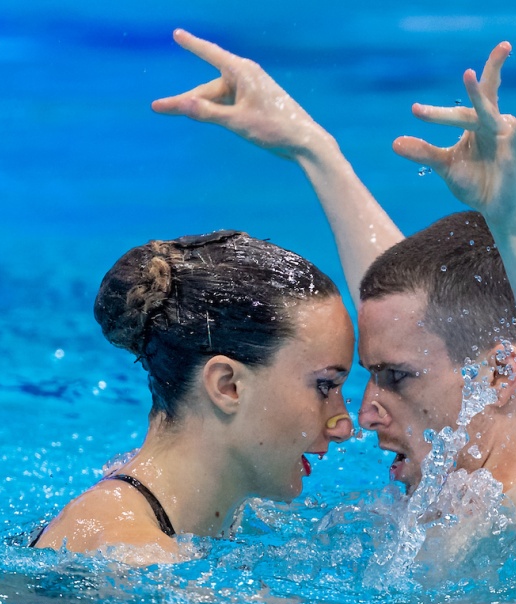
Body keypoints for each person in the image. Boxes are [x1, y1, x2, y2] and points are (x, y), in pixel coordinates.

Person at [152, 30, 516, 534]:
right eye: (373, 375)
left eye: (396, 378)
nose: (364, 416)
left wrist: (515, 226)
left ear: (498, 373)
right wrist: (313, 150)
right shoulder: (443, 492)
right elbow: (410, 318)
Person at [29, 231, 355, 563]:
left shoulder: (217, 503)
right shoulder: (129, 555)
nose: (343, 426)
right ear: (227, 386)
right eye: (325, 386)